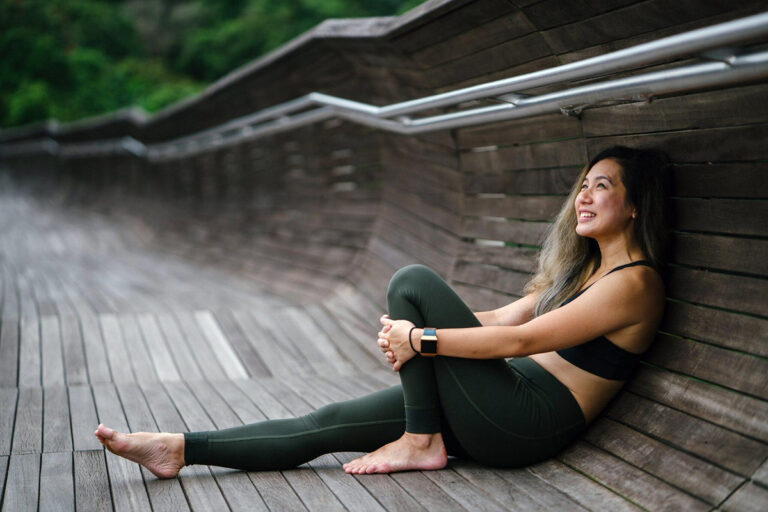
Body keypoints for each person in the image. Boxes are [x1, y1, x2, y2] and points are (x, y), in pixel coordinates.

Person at [94, 145, 669, 477]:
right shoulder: (585, 271)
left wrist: (422, 342)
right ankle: (179, 448)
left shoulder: (634, 283)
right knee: (328, 424)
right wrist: (414, 333)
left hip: (525, 420)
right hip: (497, 399)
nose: (583, 197)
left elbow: (520, 344)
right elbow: (500, 322)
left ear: (636, 205)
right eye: (583, 185)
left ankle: (421, 441)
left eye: (601, 186)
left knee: (411, 281)